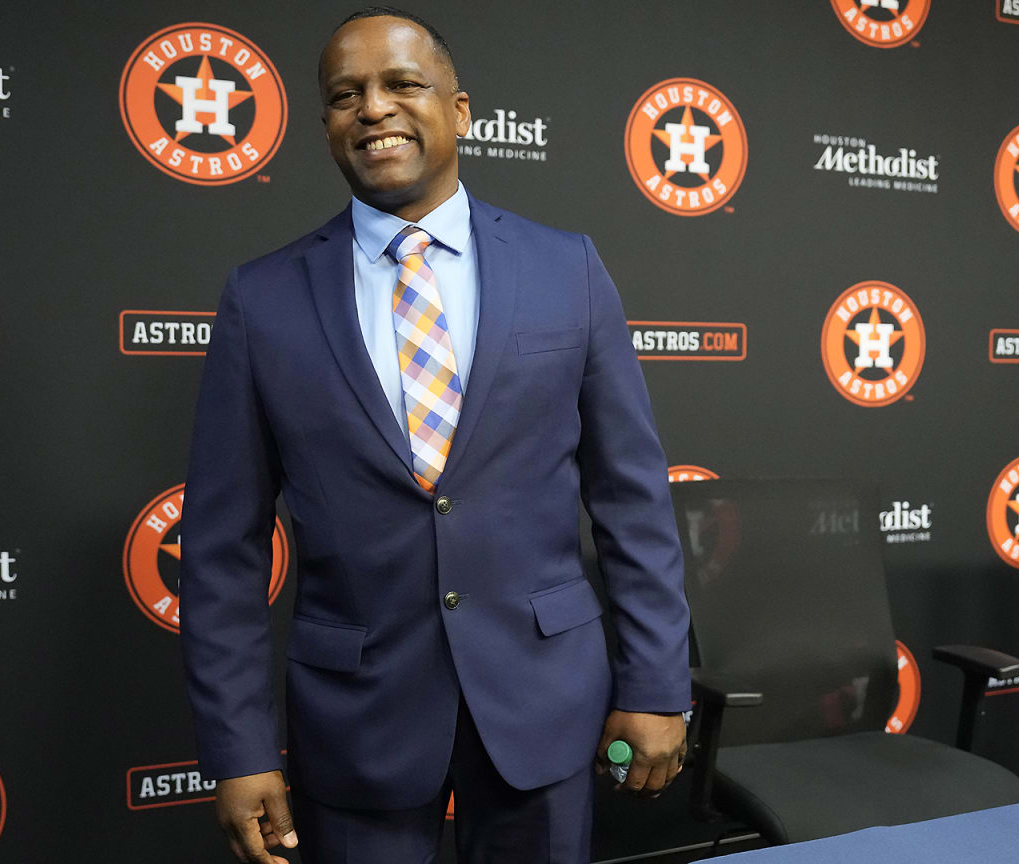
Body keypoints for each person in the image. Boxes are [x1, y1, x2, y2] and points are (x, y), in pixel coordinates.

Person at [179, 7, 692, 863]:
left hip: (546, 706)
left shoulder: (567, 268)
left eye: (402, 84)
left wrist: (656, 683)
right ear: (327, 126)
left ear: (458, 110)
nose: (373, 108)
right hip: (358, 724)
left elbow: (630, 499)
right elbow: (222, 549)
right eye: (347, 95)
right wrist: (235, 748)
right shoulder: (262, 299)